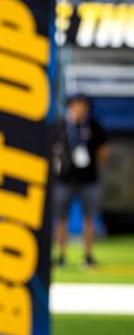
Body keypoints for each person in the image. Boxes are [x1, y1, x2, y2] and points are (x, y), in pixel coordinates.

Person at [53, 94, 109, 268]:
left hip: (89, 179)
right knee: (61, 218)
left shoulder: (93, 125)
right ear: (70, 106)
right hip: (64, 179)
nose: (80, 109)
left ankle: (88, 256)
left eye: (84, 106)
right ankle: (60, 256)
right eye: (77, 105)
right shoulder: (60, 125)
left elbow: (103, 150)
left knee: (89, 219)